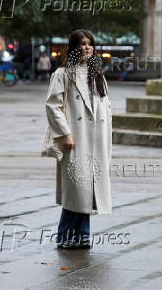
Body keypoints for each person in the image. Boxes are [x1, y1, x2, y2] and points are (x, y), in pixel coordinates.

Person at [45, 29, 112, 250]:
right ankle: (65, 236)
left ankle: (83, 235)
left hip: (97, 139)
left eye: (90, 44)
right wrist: (64, 134)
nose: (86, 47)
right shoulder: (63, 74)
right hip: (76, 137)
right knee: (75, 189)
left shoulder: (97, 74)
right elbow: (52, 105)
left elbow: (105, 106)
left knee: (89, 189)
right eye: (82, 44)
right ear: (74, 48)